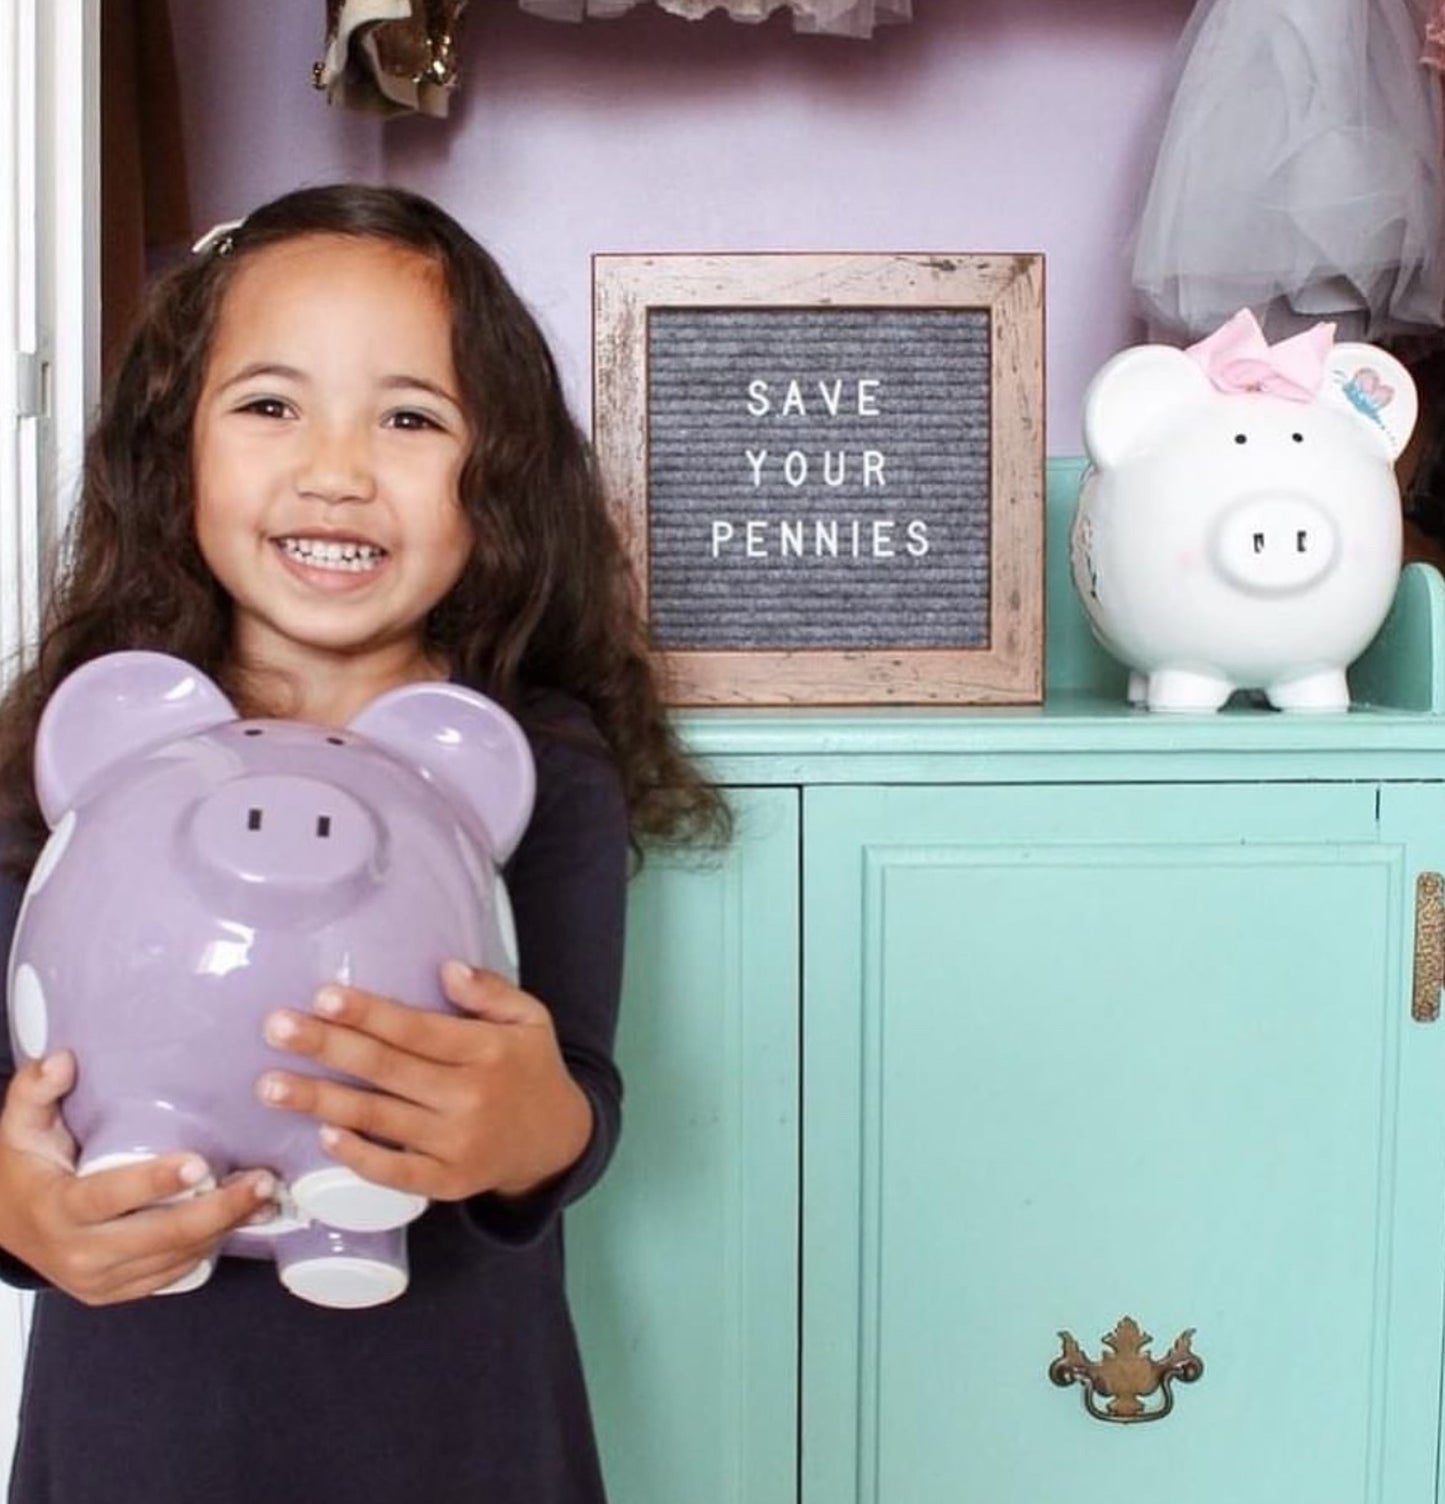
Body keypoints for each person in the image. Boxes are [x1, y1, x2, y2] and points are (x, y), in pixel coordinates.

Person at [0, 183, 727, 1504]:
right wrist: (19, 1212)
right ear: (176, 451)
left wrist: (526, 1125)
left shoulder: (536, 760)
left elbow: (572, 1092)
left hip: (452, 1420)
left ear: (492, 473)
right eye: (271, 405)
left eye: (408, 417)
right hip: (143, 1418)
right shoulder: (83, 745)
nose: (335, 468)